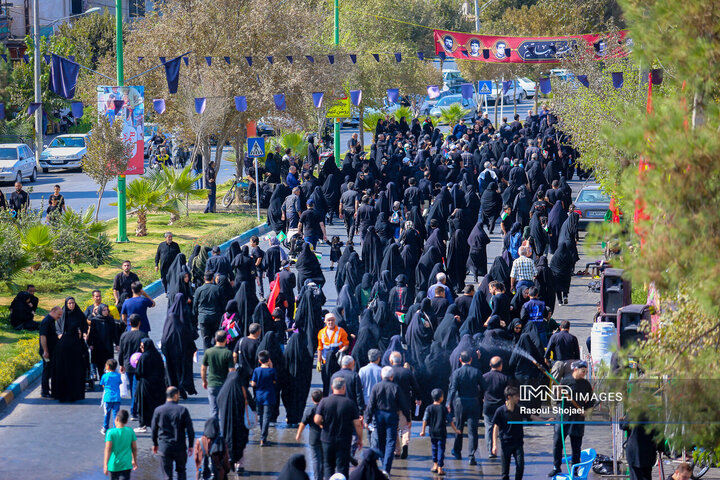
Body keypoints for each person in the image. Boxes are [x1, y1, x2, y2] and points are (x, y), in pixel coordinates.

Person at [549, 360, 597, 477]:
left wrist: (586, 411)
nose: (584, 373)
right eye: (582, 371)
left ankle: (575, 469)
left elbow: (591, 401)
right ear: (575, 370)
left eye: (585, 371)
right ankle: (556, 467)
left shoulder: (586, 384)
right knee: (557, 443)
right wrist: (560, 393)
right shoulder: (565, 381)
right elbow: (557, 399)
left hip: (578, 419)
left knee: (576, 446)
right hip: (563, 417)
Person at [314, 377, 364, 480]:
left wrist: (323, 425)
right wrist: (360, 439)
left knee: (328, 466)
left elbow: (317, 419)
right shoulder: (349, 403)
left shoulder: (324, 401)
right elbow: (357, 424)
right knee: (342, 468)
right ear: (344, 388)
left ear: (332, 387)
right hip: (344, 439)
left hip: (327, 439)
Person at [365, 365, 411, 475]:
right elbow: (403, 404)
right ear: (392, 376)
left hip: (379, 415)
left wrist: (367, 419)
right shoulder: (395, 387)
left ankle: (383, 463)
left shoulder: (376, 387)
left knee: (381, 441)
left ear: (381, 375)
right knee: (391, 442)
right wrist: (408, 418)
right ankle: (386, 468)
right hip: (392, 416)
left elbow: (371, 404)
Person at [151, 386, 195, 480]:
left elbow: (154, 429)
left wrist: (155, 443)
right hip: (180, 446)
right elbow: (190, 430)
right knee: (181, 471)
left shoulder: (158, 410)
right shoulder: (182, 410)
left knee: (167, 475)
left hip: (164, 446)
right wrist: (191, 445)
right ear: (176, 395)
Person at [491, 386, 535, 480]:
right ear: (509, 397)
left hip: (518, 443)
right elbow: (495, 428)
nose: (518, 398)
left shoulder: (519, 409)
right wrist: (494, 445)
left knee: (520, 467)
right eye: (516, 396)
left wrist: (545, 421)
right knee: (505, 472)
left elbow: (531, 416)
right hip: (506, 443)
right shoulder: (500, 411)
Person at [448, 351, 483, 465]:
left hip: (460, 403)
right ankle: (471, 455)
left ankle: (457, 451)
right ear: (471, 359)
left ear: (460, 360)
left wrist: (448, 402)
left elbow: (453, 389)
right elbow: (484, 387)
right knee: (473, 431)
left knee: (459, 427)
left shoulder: (456, 373)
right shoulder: (476, 372)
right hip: (473, 402)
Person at [388, 351, 421, 459]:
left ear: (391, 360)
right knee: (406, 426)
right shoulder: (407, 372)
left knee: (394, 428)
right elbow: (416, 387)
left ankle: (397, 450)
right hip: (405, 403)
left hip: (392, 405)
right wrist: (418, 398)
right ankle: (405, 444)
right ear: (401, 360)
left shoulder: (388, 372)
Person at [420, 388, 460, 476]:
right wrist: (456, 430)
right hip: (441, 432)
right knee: (441, 449)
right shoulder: (443, 408)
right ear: (441, 398)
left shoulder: (429, 408)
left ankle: (435, 465)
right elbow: (450, 421)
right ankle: (440, 468)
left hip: (432, 432)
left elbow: (425, 420)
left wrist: (422, 431)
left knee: (434, 448)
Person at [134, 338, 166, 433]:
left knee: (143, 406)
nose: (141, 348)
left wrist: (137, 365)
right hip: (158, 385)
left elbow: (139, 373)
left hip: (145, 386)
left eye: (142, 346)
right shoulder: (157, 355)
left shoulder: (143, 357)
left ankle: (143, 425)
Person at [51, 321, 88, 402]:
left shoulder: (62, 341)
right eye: (78, 331)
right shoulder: (76, 342)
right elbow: (82, 354)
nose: (79, 333)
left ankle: (61, 396)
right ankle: (72, 396)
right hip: (73, 369)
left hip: (61, 369)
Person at [202, 330, 235, 418]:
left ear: (215, 339)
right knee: (224, 410)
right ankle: (223, 429)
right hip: (224, 385)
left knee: (214, 410)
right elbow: (232, 370)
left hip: (212, 384)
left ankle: (214, 430)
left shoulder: (209, 352)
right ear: (226, 340)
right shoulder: (228, 353)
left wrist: (204, 381)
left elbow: (203, 368)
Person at [118, 314, 145, 420]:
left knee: (133, 388)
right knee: (136, 388)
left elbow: (121, 352)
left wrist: (121, 364)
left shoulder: (124, 336)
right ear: (139, 323)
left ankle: (134, 409)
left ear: (129, 323)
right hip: (139, 365)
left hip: (128, 365)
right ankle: (134, 411)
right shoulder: (143, 335)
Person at [317, 312, 350, 396]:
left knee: (336, 383)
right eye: (328, 320)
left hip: (336, 363)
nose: (330, 322)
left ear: (335, 321)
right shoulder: (321, 333)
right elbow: (320, 348)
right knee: (326, 382)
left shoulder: (341, 331)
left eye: (332, 320)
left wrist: (341, 351)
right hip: (325, 363)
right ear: (325, 321)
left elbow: (346, 345)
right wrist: (319, 361)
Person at [483, 356, 509, 458]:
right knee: (502, 429)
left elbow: (480, 391)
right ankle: (503, 449)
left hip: (488, 406)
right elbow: (507, 394)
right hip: (500, 407)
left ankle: (490, 450)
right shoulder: (505, 378)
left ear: (490, 365)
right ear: (500, 365)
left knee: (489, 428)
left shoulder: (484, 377)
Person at [250, 349, 277, 446]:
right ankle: (263, 438)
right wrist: (271, 366)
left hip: (259, 396)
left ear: (259, 361)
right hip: (269, 396)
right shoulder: (272, 371)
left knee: (261, 416)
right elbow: (274, 382)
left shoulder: (257, 370)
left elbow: (253, 384)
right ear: (269, 359)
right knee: (266, 418)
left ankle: (262, 435)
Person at [297, 389, 324, 480]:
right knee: (324, 459)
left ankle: (317, 478)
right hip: (325, 437)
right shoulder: (326, 408)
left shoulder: (310, 410)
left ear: (312, 399)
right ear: (322, 398)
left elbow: (303, 423)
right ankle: (324, 475)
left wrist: (298, 434)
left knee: (316, 459)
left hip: (313, 437)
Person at [103, 409, 138, 479]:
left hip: (114, 465)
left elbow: (108, 449)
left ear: (116, 419)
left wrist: (105, 465)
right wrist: (134, 460)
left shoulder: (110, 432)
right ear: (126, 421)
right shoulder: (130, 431)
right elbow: (134, 448)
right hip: (126, 464)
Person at [193, 272, 223, 349]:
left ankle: (207, 358)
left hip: (203, 318)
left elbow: (195, 306)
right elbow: (223, 304)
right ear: (213, 278)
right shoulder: (218, 289)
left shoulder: (199, 290)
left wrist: (195, 319)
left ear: (204, 279)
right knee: (216, 338)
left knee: (206, 339)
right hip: (216, 317)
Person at [38, 306, 62, 397]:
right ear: (53, 311)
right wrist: (45, 351)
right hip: (47, 351)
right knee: (47, 370)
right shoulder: (46, 321)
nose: (59, 317)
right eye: (58, 314)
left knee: (51, 370)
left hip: (51, 350)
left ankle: (49, 390)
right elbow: (43, 337)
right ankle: (45, 391)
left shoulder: (51, 320)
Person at [100, 358, 123, 435]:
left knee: (107, 414)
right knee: (116, 414)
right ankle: (115, 428)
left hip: (108, 397)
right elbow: (119, 383)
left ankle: (105, 428)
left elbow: (103, 385)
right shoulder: (118, 375)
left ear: (108, 367)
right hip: (116, 397)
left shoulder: (105, 376)